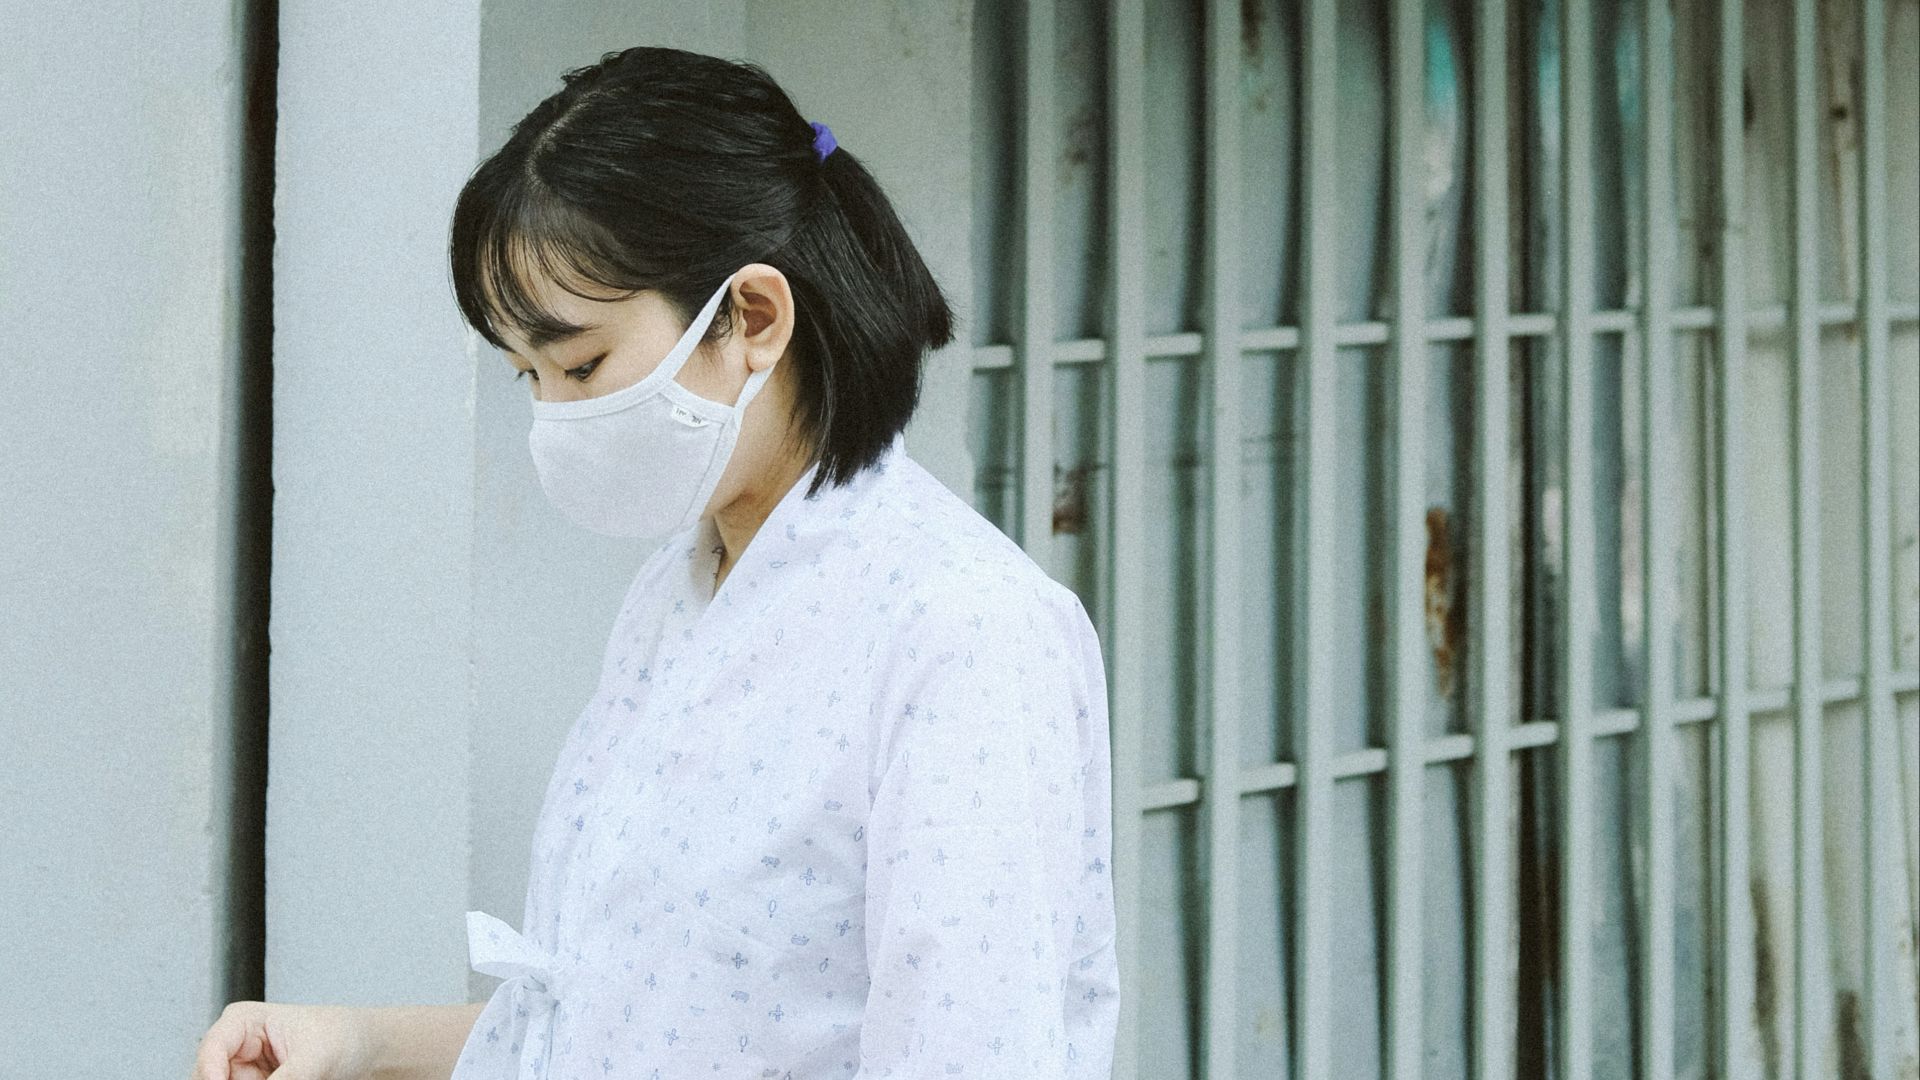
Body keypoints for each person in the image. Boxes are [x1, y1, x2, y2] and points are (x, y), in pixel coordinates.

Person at [194, 44, 1118, 1080]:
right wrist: (349, 1044)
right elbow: (623, 1026)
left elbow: (970, 1054)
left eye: (582, 362)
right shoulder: (678, 596)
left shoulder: (960, 634)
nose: (555, 416)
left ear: (753, 318)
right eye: (527, 376)